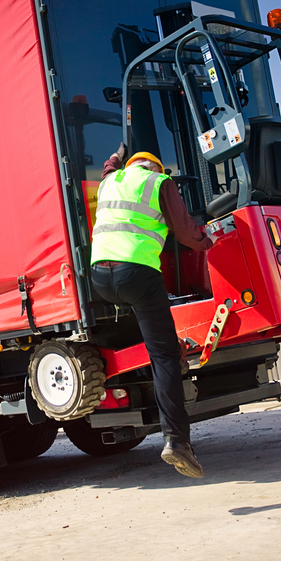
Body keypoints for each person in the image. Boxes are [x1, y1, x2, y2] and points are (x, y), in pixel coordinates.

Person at [90, 142, 214, 478]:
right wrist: (208, 241)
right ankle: (177, 442)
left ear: (130, 164)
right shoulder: (160, 184)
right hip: (137, 275)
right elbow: (186, 232)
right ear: (156, 168)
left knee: (148, 326)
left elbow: (108, 165)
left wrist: (116, 152)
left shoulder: (109, 181)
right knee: (165, 356)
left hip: (100, 277)